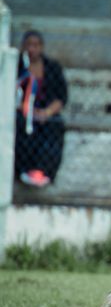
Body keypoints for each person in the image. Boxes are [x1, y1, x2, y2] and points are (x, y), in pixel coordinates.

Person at [14, 30, 67, 188]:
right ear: (23, 47)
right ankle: (23, 171)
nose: (32, 49)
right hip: (22, 111)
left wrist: (47, 112)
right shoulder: (17, 67)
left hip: (46, 113)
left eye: (36, 45)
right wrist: (27, 110)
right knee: (22, 126)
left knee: (55, 127)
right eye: (29, 45)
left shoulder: (52, 68)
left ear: (42, 47)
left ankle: (44, 172)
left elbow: (61, 97)